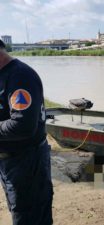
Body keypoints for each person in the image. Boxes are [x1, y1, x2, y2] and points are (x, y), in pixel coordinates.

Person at [0, 39, 53, 225]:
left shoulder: (20, 76)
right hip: (10, 162)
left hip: (27, 163)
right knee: (20, 211)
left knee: (29, 216)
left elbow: (22, 125)